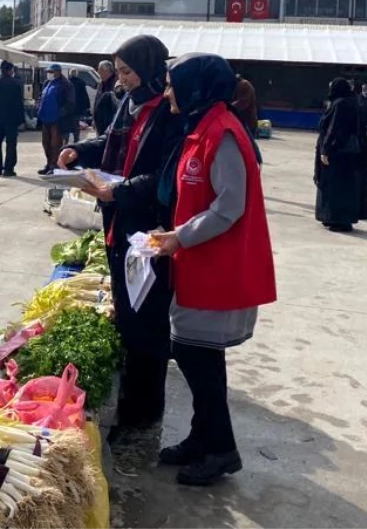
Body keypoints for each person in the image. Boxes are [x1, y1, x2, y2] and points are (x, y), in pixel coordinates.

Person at [151, 53, 276, 486]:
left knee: (195, 356)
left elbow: (230, 206)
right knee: (200, 357)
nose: (167, 93)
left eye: (172, 85)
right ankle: (201, 438)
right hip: (199, 263)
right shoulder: (203, 127)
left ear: (197, 89)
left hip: (216, 269)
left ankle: (221, 449)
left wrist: (179, 237)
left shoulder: (222, 133)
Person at [62, 35, 180, 437]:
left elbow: (165, 175)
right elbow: (112, 145)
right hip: (119, 221)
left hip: (150, 226)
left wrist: (120, 191)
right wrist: (80, 151)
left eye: (128, 71)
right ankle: (131, 400)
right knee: (127, 312)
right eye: (121, 71)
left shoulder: (168, 110)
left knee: (147, 316)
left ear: (148, 69)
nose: (122, 79)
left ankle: (145, 410)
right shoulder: (127, 105)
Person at [314, 78, 367, 233]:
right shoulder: (354, 102)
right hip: (352, 155)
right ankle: (339, 219)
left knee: (335, 187)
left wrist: (326, 149)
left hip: (338, 153)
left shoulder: (340, 104)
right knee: (347, 188)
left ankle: (336, 219)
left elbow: (334, 128)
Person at [0, 60, 25, 177]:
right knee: (11, 144)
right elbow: (19, 103)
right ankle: (9, 169)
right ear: (10, 70)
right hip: (12, 119)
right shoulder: (16, 84)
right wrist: (21, 120)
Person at [37, 64, 75, 174]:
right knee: (46, 143)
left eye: (51, 72)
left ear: (57, 72)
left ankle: (54, 165)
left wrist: (61, 112)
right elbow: (41, 96)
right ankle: (48, 163)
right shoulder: (47, 83)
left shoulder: (66, 84)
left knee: (55, 144)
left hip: (57, 120)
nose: (49, 74)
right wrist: (38, 105)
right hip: (45, 118)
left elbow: (71, 103)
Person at [93, 60, 119, 135]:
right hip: (100, 122)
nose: (98, 72)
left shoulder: (115, 83)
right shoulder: (101, 84)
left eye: (101, 70)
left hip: (110, 122)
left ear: (108, 71)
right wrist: (94, 119)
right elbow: (97, 100)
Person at [68, 69, 90, 142]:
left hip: (68, 107)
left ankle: (66, 139)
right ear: (76, 74)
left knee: (68, 123)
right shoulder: (81, 82)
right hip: (77, 107)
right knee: (76, 123)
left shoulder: (67, 82)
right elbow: (84, 95)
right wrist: (87, 106)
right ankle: (76, 138)